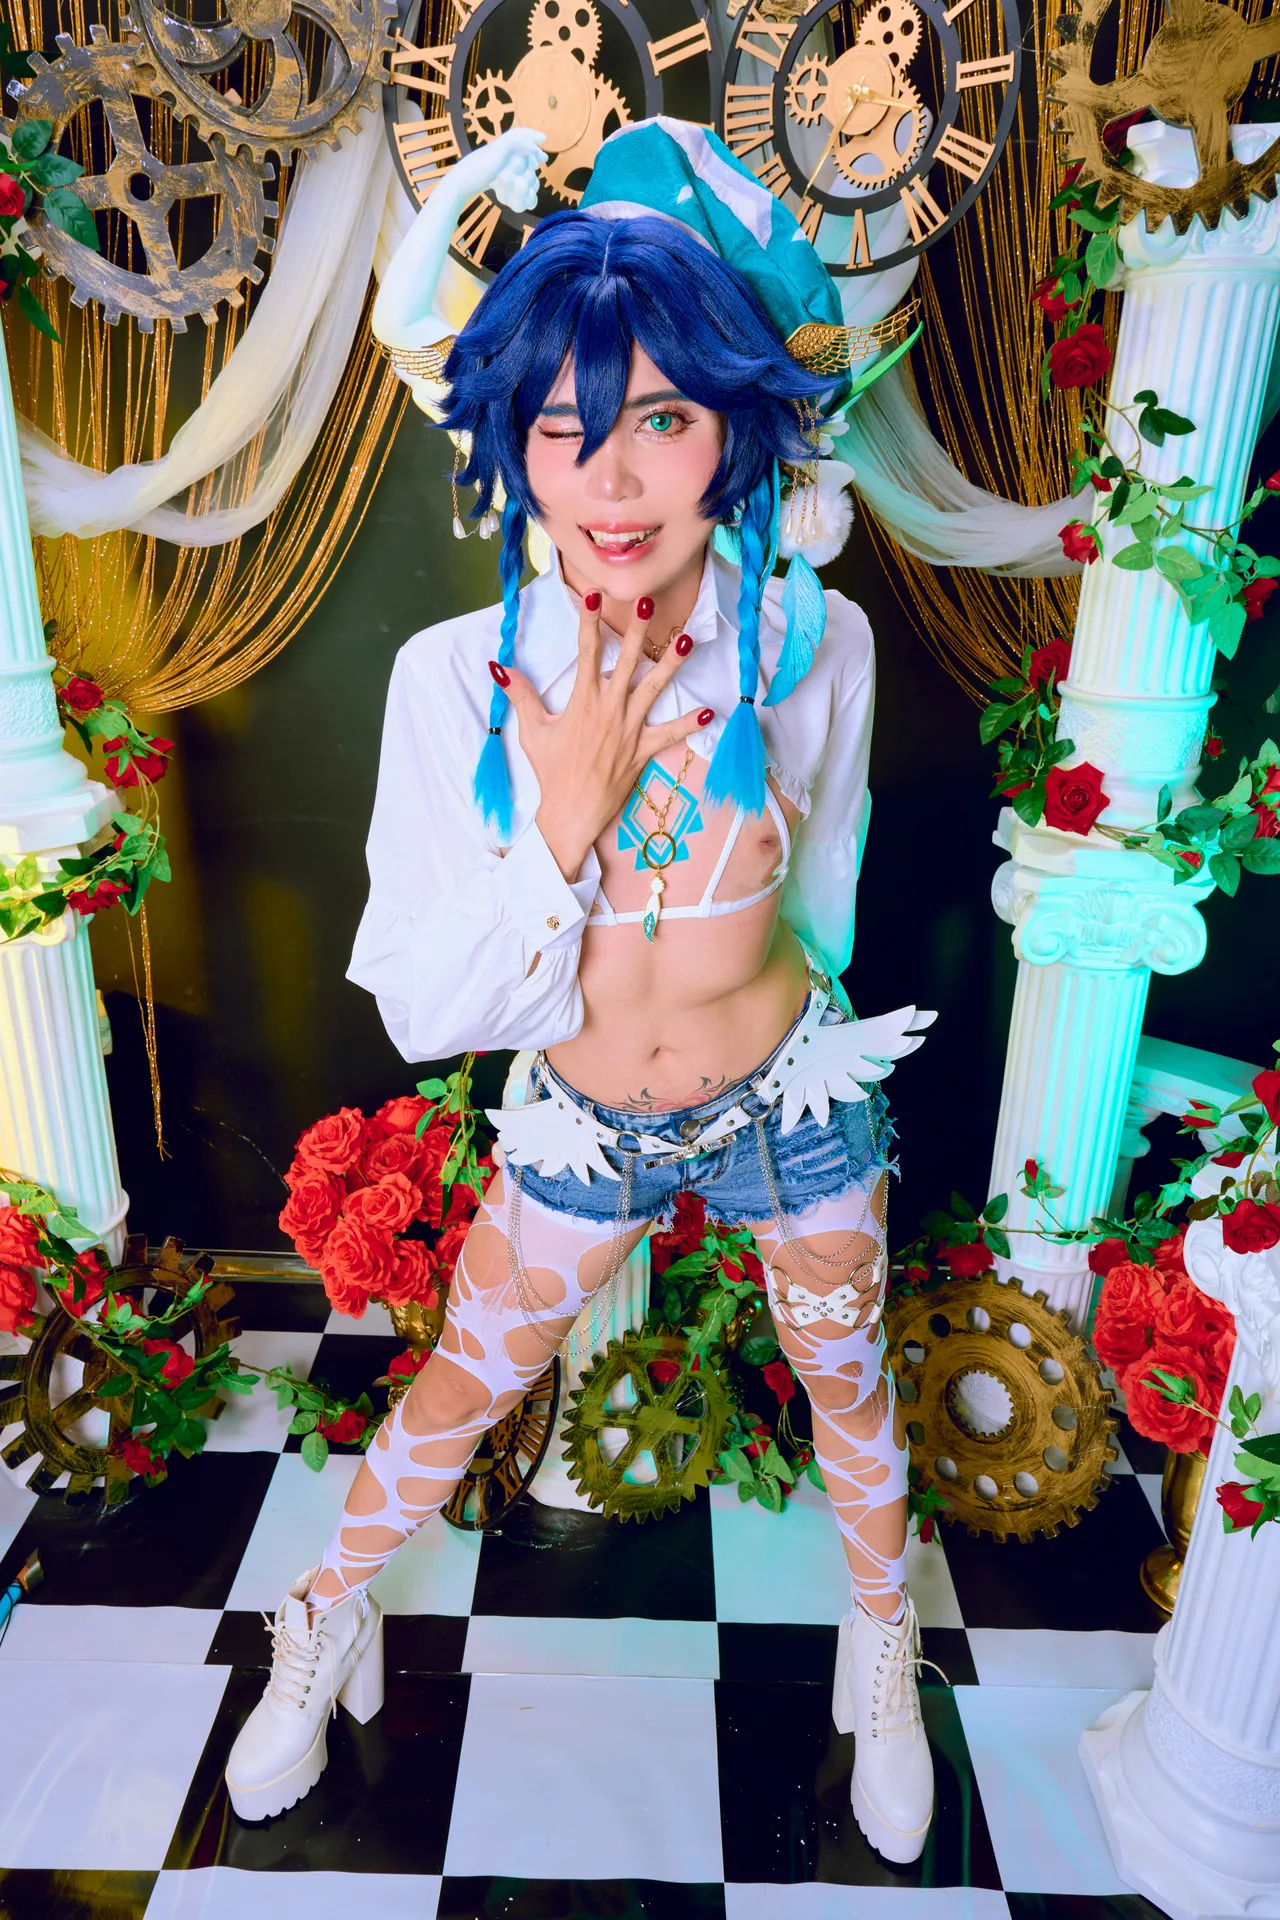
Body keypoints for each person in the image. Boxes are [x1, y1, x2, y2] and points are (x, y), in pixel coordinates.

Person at [225, 118, 937, 1865]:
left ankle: (882, 1645)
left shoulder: (817, 642)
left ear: (737, 434)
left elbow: (827, 880)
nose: (611, 482)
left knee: (849, 1382)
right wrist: (559, 826)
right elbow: (423, 1006)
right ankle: (320, 1616)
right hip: (583, 1126)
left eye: (664, 420)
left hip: (791, 1100)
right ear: (511, 446)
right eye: (564, 427)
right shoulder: (452, 679)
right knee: (460, 1388)